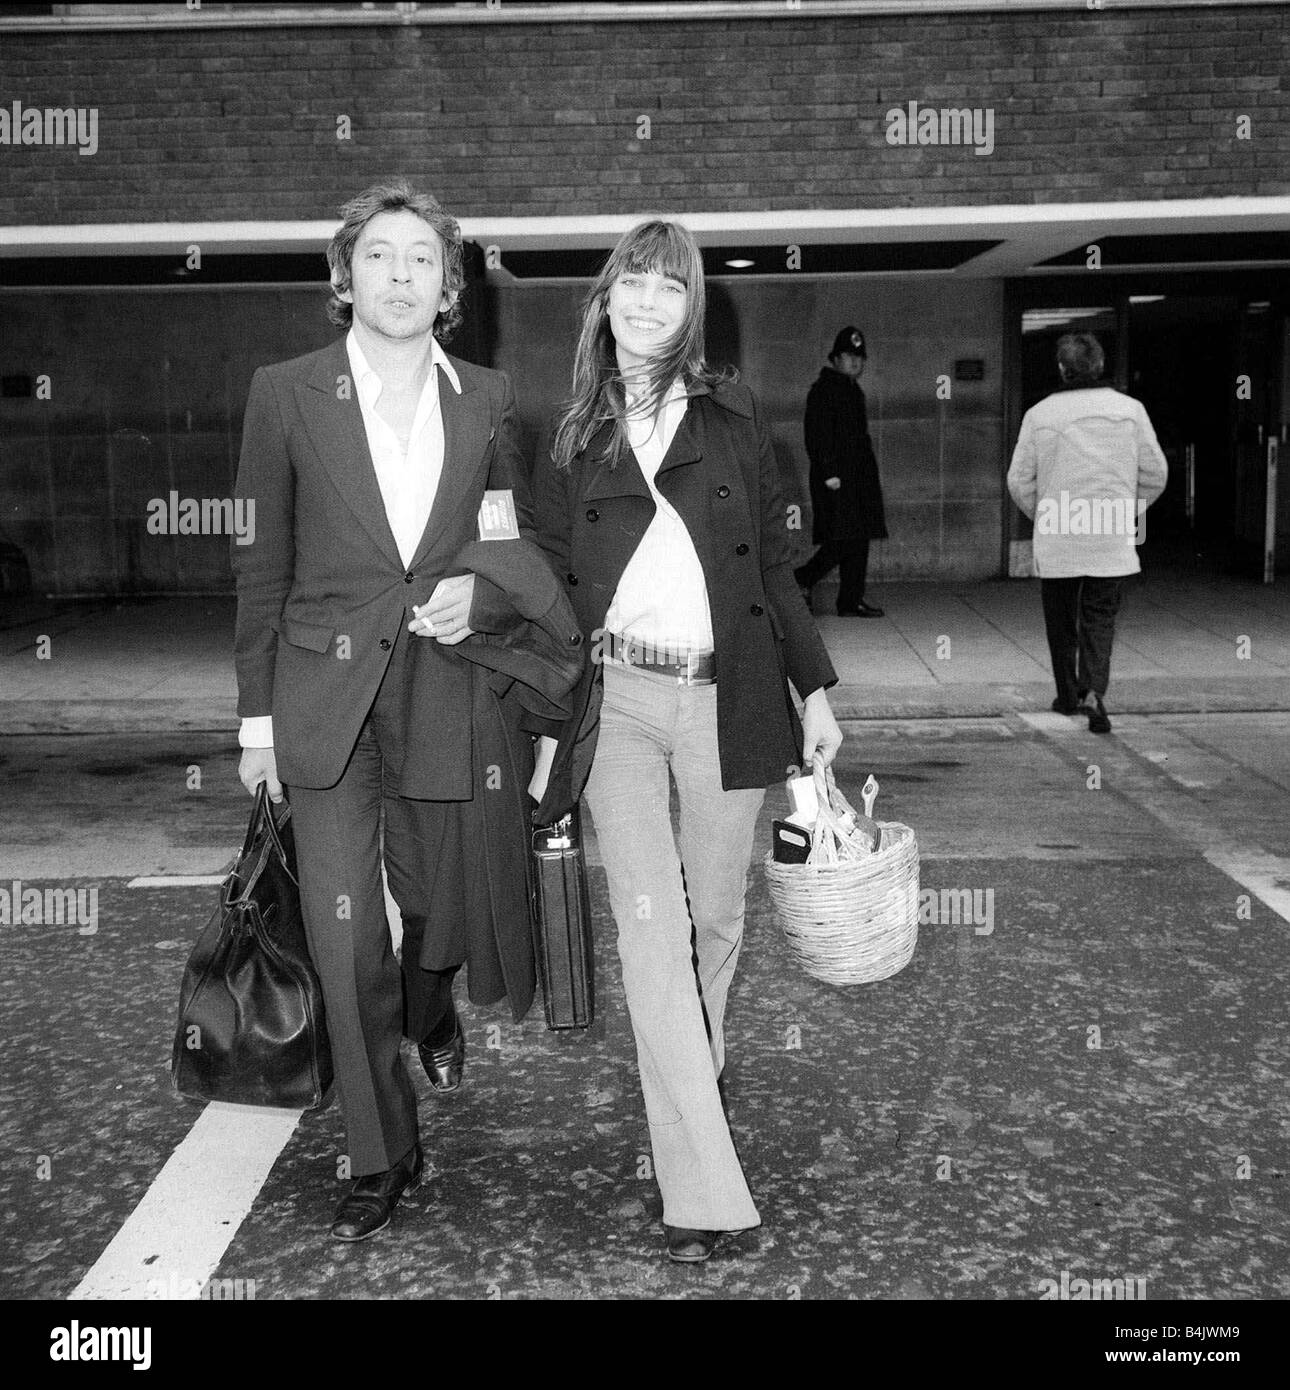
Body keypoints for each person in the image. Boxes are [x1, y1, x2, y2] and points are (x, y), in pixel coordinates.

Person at [231, 179, 581, 1241]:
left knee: (435, 916)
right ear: (345, 277)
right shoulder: (284, 393)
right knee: (345, 939)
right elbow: (259, 565)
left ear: (448, 287)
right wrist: (255, 723)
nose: (398, 274)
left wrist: (484, 584)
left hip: (446, 689)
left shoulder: (489, 399)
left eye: (420, 259)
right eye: (378, 256)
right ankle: (382, 1148)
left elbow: (513, 536)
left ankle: (428, 1013)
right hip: (322, 699)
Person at [529, 219, 843, 1264]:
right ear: (606, 299)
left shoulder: (740, 424)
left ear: (691, 306)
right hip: (616, 700)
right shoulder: (573, 433)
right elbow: (545, 581)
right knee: (651, 929)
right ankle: (701, 1187)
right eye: (633, 283)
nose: (648, 303)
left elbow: (773, 576)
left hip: (731, 695)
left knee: (716, 920)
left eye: (671, 287)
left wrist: (816, 693)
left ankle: (686, 1097)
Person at [1007, 332, 1168, 734]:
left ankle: (1067, 695)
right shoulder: (1130, 411)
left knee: (1060, 620)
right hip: (1109, 535)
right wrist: (1126, 511)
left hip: (1059, 532)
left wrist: (1043, 512)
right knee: (1099, 617)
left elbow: (1018, 479)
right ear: (1099, 366)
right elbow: (1156, 474)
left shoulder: (1040, 414)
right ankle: (1095, 690)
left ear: (1062, 369)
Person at [794, 326, 888, 617]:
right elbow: (817, 435)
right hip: (837, 480)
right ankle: (801, 579)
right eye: (848, 355)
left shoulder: (849, 389)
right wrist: (829, 473)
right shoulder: (824, 390)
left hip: (857, 480)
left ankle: (850, 600)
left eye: (859, 356)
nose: (855, 362)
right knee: (842, 540)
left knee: (857, 539)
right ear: (834, 358)